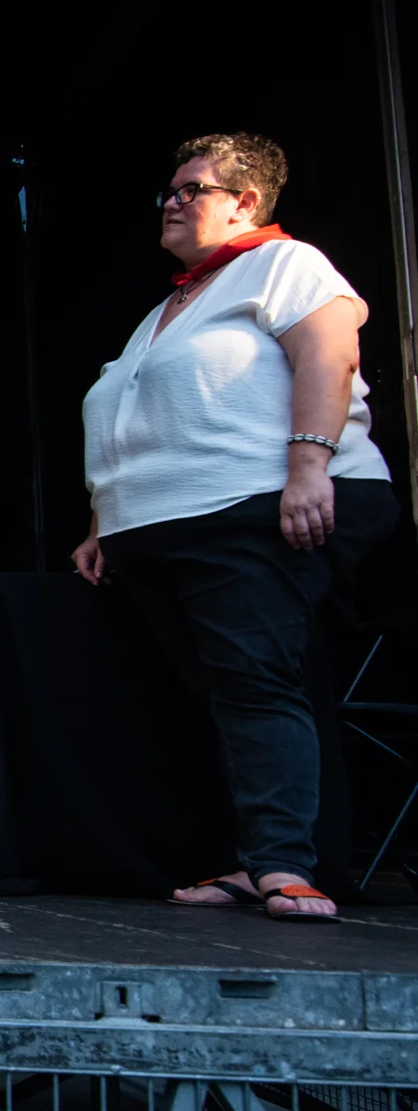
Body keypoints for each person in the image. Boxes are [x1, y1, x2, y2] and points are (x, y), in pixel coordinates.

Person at [72, 132, 397, 923]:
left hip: (250, 505)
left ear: (245, 201)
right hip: (156, 527)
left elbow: (329, 356)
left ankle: (285, 862)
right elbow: (133, 415)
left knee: (254, 684)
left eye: (193, 189)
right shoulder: (169, 307)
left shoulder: (287, 263)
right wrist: (102, 520)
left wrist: (309, 465)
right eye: (170, 190)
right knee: (218, 695)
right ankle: (260, 855)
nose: (172, 202)